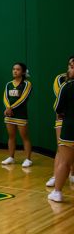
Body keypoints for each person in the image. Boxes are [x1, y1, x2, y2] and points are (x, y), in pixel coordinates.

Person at [48, 57, 74, 202]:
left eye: (72, 67)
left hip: (70, 129)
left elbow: (58, 108)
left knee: (64, 162)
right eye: (69, 66)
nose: (70, 69)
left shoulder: (67, 86)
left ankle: (57, 192)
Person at [1, 62, 33, 167]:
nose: (15, 71)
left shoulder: (27, 84)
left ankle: (28, 159)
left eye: (18, 69)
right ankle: (11, 157)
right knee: (11, 136)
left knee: (24, 136)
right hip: (9, 114)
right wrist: (7, 107)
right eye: (14, 69)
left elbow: (23, 99)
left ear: (23, 72)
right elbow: (5, 97)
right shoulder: (9, 84)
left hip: (20, 114)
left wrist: (10, 108)